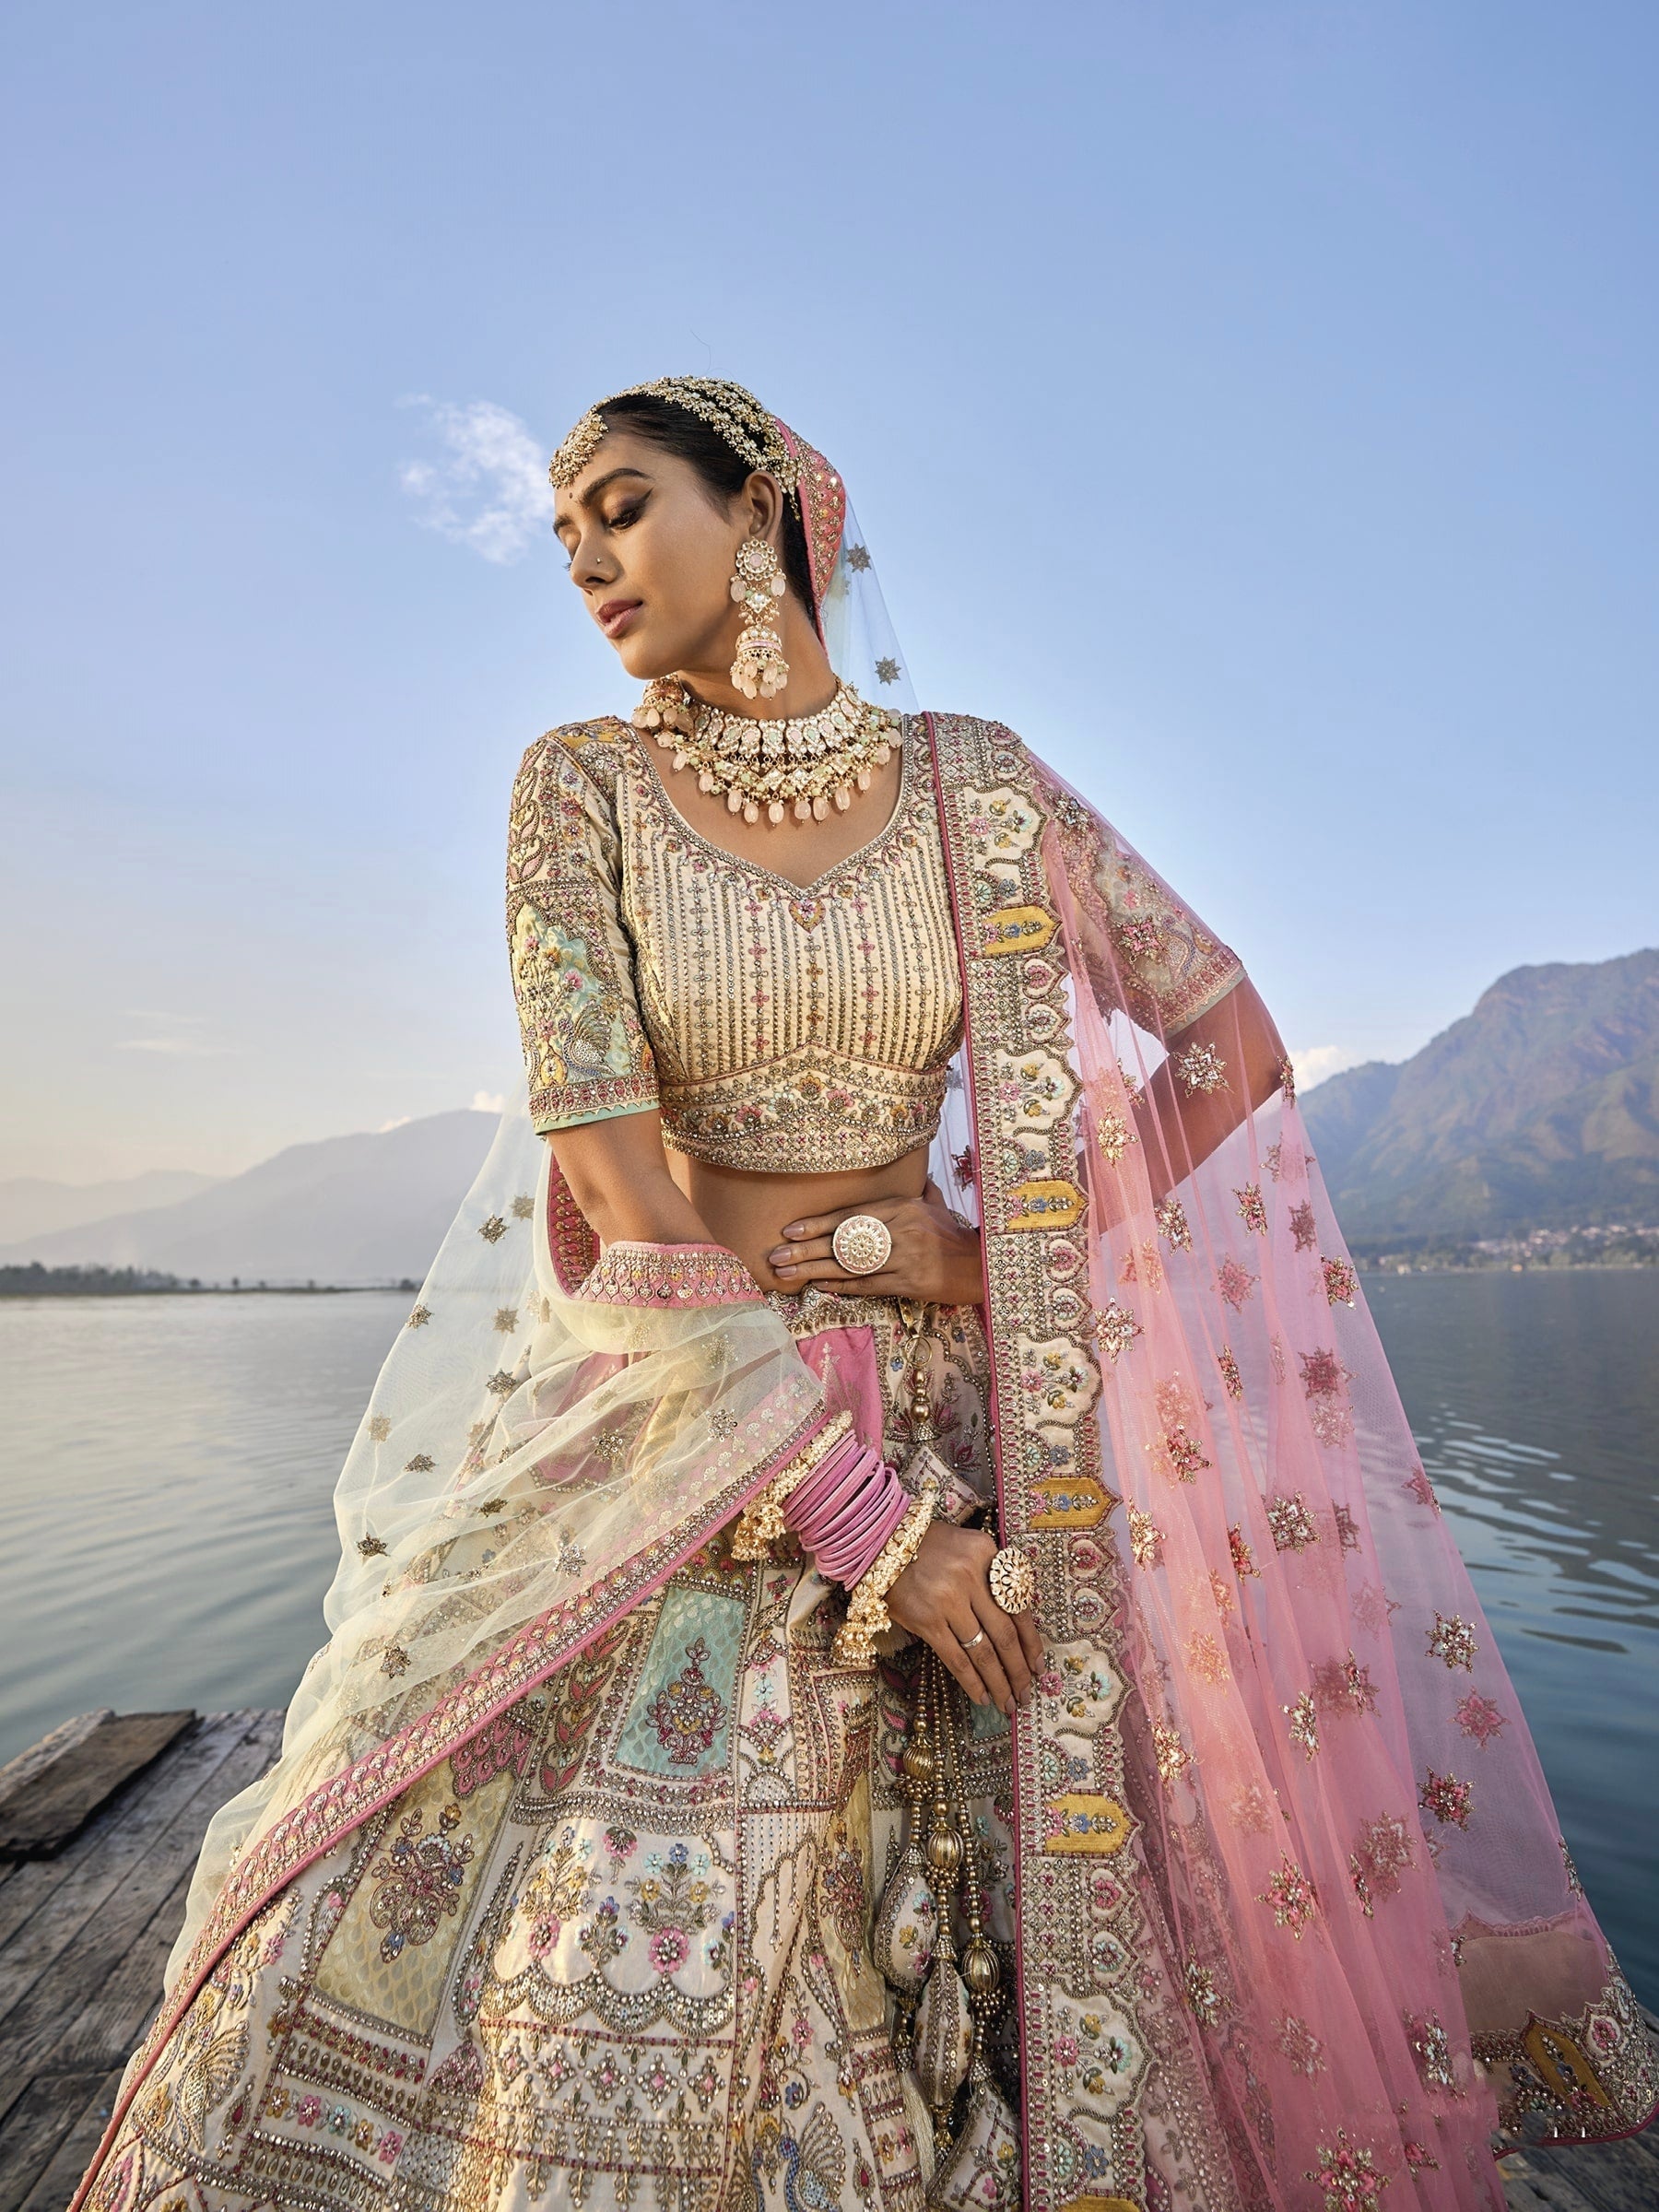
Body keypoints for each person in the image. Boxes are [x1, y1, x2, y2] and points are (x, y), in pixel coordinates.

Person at [76, 379, 1654, 2212]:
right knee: (564, 1955)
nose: (583, 555)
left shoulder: (977, 790)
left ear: (760, 513)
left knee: (1072, 1952)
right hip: (682, 1425)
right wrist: (856, 1517)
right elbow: (620, 1181)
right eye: (559, 530)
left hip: (975, 1431)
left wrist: (990, 1261)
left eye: (619, 502)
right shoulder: (575, 791)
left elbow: (1231, 1040)